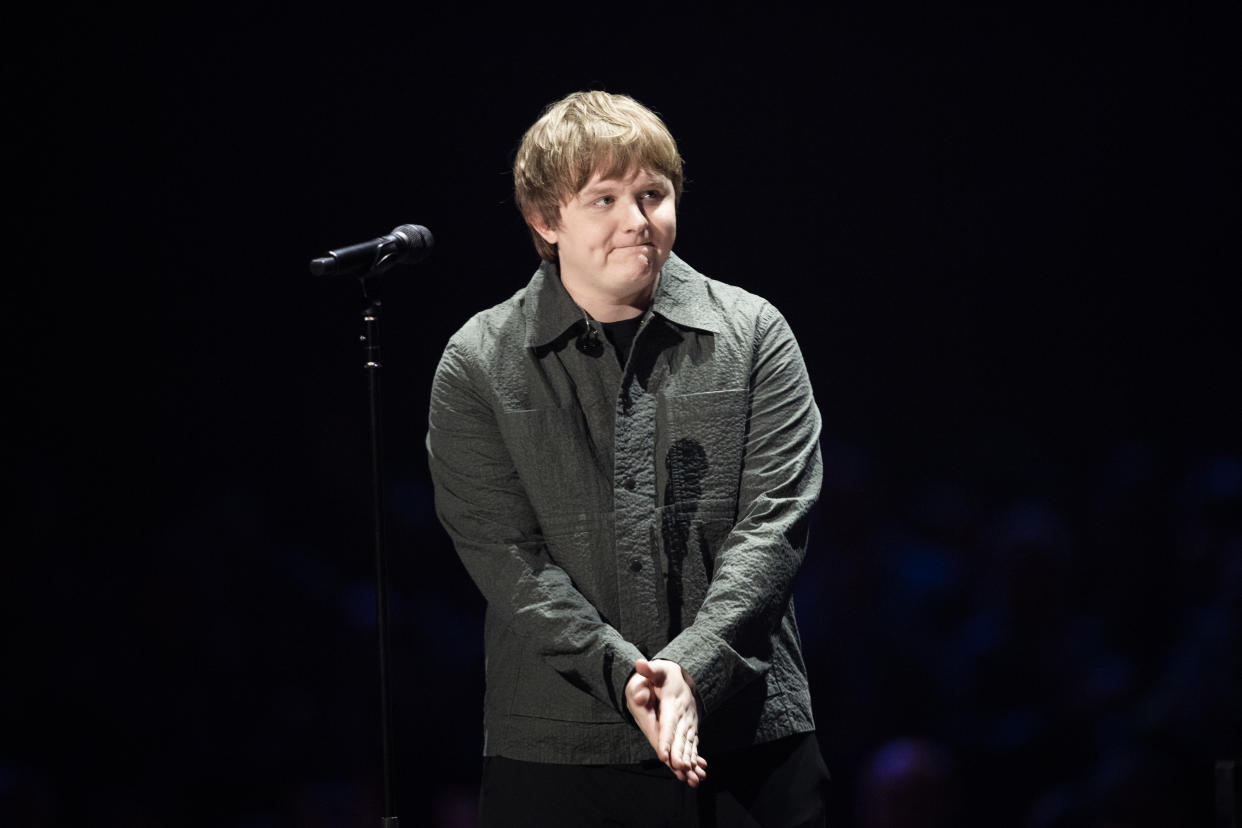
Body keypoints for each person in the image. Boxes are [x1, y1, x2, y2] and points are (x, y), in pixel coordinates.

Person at [427, 90, 829, 827]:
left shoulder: (754, 334)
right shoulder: (479, 362)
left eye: (653, 193)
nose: (637, 220)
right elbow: (505, 556)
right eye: (604, 199)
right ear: (546, 220)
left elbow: (776, 524)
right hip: (558, 749)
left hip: (745, 738)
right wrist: (629, 678)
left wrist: (694, 670)